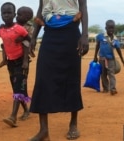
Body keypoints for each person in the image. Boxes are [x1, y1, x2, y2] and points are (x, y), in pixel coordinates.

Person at [29, 0, 89, 140]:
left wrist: (84, 35)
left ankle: (73, 123)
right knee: (42, 79)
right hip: (49, 33)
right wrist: (33, 36)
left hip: (70, 32)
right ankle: (44, 130)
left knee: (72, 77)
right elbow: (41, 9)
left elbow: (83, 7)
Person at [0, 2, 32, 127]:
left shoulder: (20, 28)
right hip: (11, 62)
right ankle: (27, 110)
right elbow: (5, 43)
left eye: (9, 13)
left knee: (18, 88)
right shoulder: (1, 30)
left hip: (21, 62)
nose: (6, 15)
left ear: (13, 14)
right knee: (16, 88)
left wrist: (25, 62)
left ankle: (13, 117)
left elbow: (29, 41)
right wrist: (5, 58)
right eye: (4, 13)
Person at [93, 19, 124, 95]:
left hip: (111, 59)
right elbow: (97, 46)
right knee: (103, 74)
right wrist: (95, 57)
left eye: (113, 28)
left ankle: (113, 89)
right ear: (106, 28)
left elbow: (118, 50)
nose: (111, 30)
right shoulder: (100, 36)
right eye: (109, 28)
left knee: (111, 74)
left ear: (114, 28)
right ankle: (105, 88)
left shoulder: (115, 39)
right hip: (102, 59)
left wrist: (122, 59)